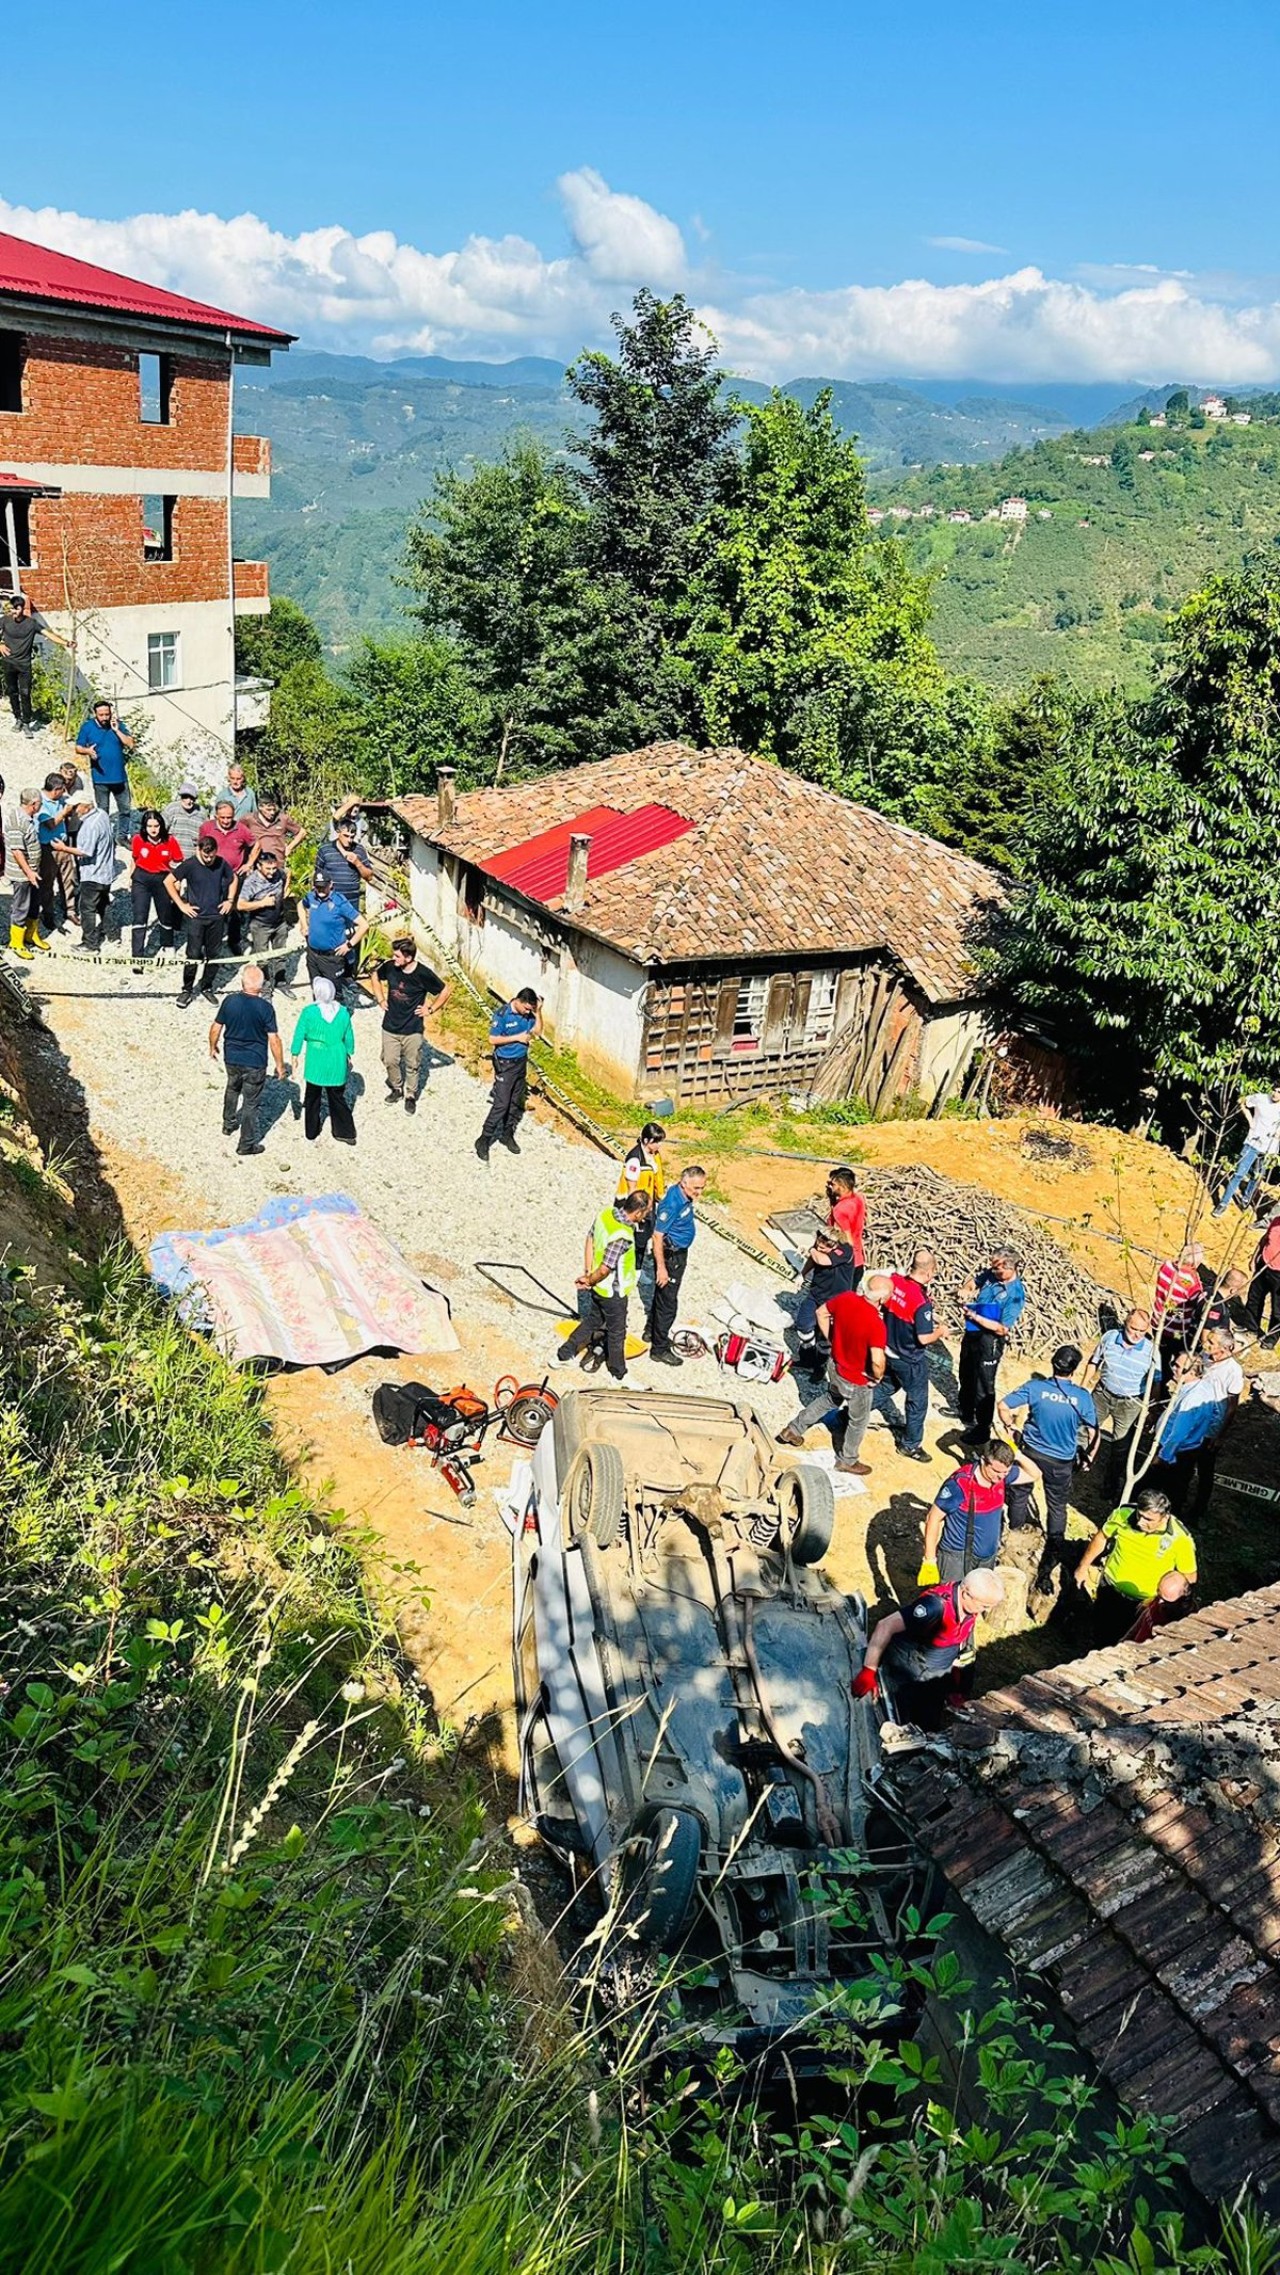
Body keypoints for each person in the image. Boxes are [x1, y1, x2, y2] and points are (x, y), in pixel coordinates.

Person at [998, 1344, 1099, 1592]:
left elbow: (1003, 1405)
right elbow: (1093, 1430)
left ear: (1053, 1364)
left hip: (1030, 1452)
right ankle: (1054, 1546)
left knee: (1020, 1493)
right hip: (1061, 1461)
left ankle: (1015, 1531)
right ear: (1074, 1370)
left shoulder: (1036, 1388)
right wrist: (1089, 1456)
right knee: (1057, 1504)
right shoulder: (1082, 1397)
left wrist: (1010, 1427)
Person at [851, 1568, 1006, 1727]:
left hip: (937, 1671)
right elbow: (885, 1625)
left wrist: (956, 1681)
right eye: (985, 1606)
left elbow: (957, 1637)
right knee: (904, 1719)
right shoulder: (932, 1607)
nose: (987, 1611)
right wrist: (868, 1670)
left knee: (930, 1718)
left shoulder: (969, 1605)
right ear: (966, 1594)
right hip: (912, 1668)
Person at [777, 1270, 891, 1476]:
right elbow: (877, 1360)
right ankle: (848, 1459)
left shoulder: (846, 1298)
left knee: (830, 1398)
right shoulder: (876, 1324)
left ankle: (793, 1429)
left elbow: (821, 1312)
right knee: (859, 1420)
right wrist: (877, 1376)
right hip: (857, 1378)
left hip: (835, 1365)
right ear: (882, 1298)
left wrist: (831, 1339)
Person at [1074, 1489, 1197, 1649]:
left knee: (1128, 1643)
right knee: (1101, 1631)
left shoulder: (1180, 1539)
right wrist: (1083, 1567)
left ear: (1164, 1517)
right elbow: (1102, 1537)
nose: (1140, 1522)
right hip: (1110, 1588)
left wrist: (1162, 1603)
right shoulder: (1123, 1514)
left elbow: (1189, 1578)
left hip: (1142, 1604)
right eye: (1140, 1515)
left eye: (1148, 1519)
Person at [1149, 1325, 1242, 1520]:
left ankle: (1198, 1509)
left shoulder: (1232, 1371)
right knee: (1183, 1464)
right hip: (1194, 1420)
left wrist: (1219, 1435)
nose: (1205, 1344)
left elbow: (1232, 1406)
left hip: (1211, 1428)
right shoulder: (1205, 1359)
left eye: (1211, 1342)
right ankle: (1171, 1501)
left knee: (1205, 1470)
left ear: (1224, 1348)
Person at [555, 1192, 649, 1382]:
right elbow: (606, 1268)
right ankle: (619, 1374)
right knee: (617, 1333)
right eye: (645, 1212)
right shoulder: (622, 1234)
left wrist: (588, 1272)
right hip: (612, 1292)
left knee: (592, 1321)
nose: (646, 1216)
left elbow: (590, 1238)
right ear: (638, 1212)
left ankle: (564, 1354)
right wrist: (590, 1280)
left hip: (599, 1288)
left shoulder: (606, 1214)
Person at [917, 1440, 1031, 1586]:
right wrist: (929, 1560)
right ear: (983, 1461)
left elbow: (1034, 1473)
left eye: (1006, 1472)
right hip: (957, 1557)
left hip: (987, 1557)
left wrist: (1019, 1455)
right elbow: (933, 1518)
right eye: (996, 1471)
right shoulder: (959, 1485)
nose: (1001, 1477)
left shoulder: (1001, 1477)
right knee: (952, 1599)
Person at [209, 965, 286, 1158]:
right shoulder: (266, 1008)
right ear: (260, 987)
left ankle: (228, 1124)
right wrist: (280, 1065)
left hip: (232, 1057)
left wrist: (212, 1046)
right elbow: (274, 1039)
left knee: (232, 1088)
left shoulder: (229, 1001)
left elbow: (216, 1027)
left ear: (242, 982)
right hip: (255, 1061)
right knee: (251, 1103)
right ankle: (246, 1144)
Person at [368, 935, 449, 1115]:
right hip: (390, 1026)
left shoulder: (423, 974)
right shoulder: (390, 967)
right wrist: (380, 998)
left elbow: (445, 990)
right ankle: (396, 1088)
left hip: (412, 1029)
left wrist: (431, 1009)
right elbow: (374, 975)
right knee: (389, 1060)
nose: (393, 958)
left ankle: (410, 1095)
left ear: (409, 958)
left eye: (397, 956)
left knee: (412, 1064)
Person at [1087, 1308, 1161, 1500]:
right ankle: (1076, 1466)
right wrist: (1083, 1386)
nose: (1136, 1334)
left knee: (1121, 1446)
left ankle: (1110, 1486)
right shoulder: (1110, 1338)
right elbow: (1094, 1361)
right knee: (1085, 1430)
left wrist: (1151, 1409)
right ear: (1124, 1324)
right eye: (1132, 1328)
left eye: (1142, 1331)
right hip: (1102, 1394)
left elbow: (1156, 1382)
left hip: (1130, 1403)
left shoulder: (1151, 1352)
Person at [881, 1248, 946, 1461]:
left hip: (889, 1347)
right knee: (917, 1401)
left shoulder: (895, 1281)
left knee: (887, 1386)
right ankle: (910, 1445)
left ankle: (853, 1413)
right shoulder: (921, 1303)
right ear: (929, 1274)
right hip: (909, 1358)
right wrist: (940, 1331)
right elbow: (924, 1338)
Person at [958, 1249, 1026, 1443]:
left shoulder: (1015, 1294)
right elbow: (974, 1282)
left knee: (984, 1385)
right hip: (973, 1332)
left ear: (1010, 1268)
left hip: (990, 1341)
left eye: (998, 1270)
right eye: (993, 1268)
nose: (993, 1272)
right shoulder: (991, 1274)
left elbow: (1002, 1329)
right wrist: (967, 1289)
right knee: (966, 1371)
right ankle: (966, 1411)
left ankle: (982, 1428)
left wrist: (975, 1317)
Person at [166, 831, 236, 1008]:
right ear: (199, 850)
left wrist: (229, 900)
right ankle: (187, 989)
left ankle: (207, 986)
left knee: (214, 955)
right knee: (193, 954)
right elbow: (168, 881)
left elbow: (233, 878)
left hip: (216, 917)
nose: (209, 858)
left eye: (212, 855)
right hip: (196, 917)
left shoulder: (221, 863)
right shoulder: (189, 865)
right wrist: (182, 905)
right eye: (206, 855)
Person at [647, 1165, 708, 1366]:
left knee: (661, 1295)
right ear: (684, 1183)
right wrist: (662, 1268)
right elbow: (657, 1236)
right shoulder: (672, 1204)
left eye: (701, 1188)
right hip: (671, 1257)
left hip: (678, 1253)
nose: (698, 1193)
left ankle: (652, 1330)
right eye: (696, 1188)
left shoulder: (683, 1197)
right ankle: (659, 1348)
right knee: (668, 1303)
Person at [476, 988, 541, 1162]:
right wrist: (517, 1037)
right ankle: (484, 1138)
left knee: (515, 1101)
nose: (529, 1012)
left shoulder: (529, 1015)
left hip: (520, 1062)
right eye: (527, 1008)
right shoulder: (503, 1015)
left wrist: (539, 1012)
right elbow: (493, 1039)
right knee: (501, 1103)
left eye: (531, 1009)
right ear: (519, 1001)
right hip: (505, 1063)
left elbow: (538, 1031)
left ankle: (507, 1133)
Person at [290, 977, 357, 1146]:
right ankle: (345, 1131)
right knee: (337, 1096)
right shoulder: (343, 1012)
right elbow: (348, 1036)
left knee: (312, 1097)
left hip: (316, 1058)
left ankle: (311, 1131)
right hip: (336, 1057)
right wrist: (349, 1052)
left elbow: (299, 1033)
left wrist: (295, 1053)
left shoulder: (309, 1012)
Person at [0, 592, 66, 732]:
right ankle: (17, 718)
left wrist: (66, 643)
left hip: (24, 665)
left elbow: (49, 634)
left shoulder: (31, 623)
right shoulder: (5, 620)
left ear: (22, 609)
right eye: (12, 608)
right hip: (9, 662)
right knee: (12, 692)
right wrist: (0, 644)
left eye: (17, 609)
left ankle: (26, 722)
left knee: (25, 693)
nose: (14, 612)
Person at [794, 1225, 857, 1368]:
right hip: (816, 1293)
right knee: (803, 1325)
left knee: (826, 1336)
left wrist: (810, 1250)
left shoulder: (845, 1250)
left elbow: (822, 1260)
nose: (820, 1247)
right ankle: (807, 1357)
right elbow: (814, 1259)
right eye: (819, 1243)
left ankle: (820, 1364)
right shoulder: (818, 1249)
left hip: (836, 1301)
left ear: (834, 1245)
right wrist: (802, 1274)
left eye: (825, 1247)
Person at [128, 807, 183, 970]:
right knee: (139, 916)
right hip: (141, 879)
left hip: (162, 879)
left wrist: (177, 880)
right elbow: (134, 858)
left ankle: (168, 944)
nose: (153, 830)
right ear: (145, 827)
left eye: (156, 826)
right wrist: (130, 877)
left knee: (165, 914)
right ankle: (138, 958)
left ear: (161, 826)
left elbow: (179, 862)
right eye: (150, 826)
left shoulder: (170, 841)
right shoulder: (138, 839)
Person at [1214, 1085, 1280, 1216]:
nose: (1276, 1094)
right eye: (1275, 1090)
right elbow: (1242, 1101)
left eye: (1279, 1092)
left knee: (1257, 1176)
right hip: (1252, 1142)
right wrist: (1250, 1121)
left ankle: (1246, 1198)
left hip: (1269, 1149)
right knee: (1239, 1173)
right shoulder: (1260, 1098)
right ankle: (1223, 1203)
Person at [234, 847, 292, 997]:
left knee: (281, 954)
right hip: (260, 925)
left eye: (274, 868)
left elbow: (288, 873)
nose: (272, 872)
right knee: (262, 958)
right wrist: (263, 903)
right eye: (268, 869)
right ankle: (265, 988)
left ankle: (281, 982)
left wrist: (285, 891)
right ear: (259, 866)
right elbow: (240, 905)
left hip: (280, 922)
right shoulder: (251, 881)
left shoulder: (279, 874)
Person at [75, 700, 134, 843]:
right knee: (102, 811)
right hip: (100, 778)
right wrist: (87, 751)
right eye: (101, 715)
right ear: (95, 714)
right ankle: (105, 838)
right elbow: (78, 747)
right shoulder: (87, 727)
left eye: (107, 714)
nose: (104, 718)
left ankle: (122, 836)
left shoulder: (118, 725)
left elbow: (131, 744)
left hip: (120, 777)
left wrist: (116, 730)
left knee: (125, 809)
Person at [300, 869, 366, 991]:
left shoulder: (340, 902)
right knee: (317, 991)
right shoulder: (311, 897)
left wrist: (349, 945)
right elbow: (301, 905)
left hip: (332, 958)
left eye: (323, 887)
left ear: (330, 885)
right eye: (317, 887)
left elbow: (364, 925)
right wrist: (304, 925)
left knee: (334, 993)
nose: (320, 890)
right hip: (313, 954)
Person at [1153, 1241, 1209, 1382]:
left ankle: (1160, 1378)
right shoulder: (1191, 1281)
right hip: (1176, 1329)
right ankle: (1171, 1380)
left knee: (1161, 1355)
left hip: (1157, 1320)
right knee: (1178, 1356)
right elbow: (1196, 1301)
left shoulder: (1166, 1266)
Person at [617, 1122, 667, 1271]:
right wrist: (640, 1211)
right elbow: (632, 1189)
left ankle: (637, 1267)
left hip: (648, 1203)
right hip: (635, 1206)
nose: (659, 1145)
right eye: (656, 1142)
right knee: (634, 1238)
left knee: (645, 1235)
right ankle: (629, 1267)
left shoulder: (654, 1156)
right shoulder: (635, 1159)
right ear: (646, 1141)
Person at [72, 797, 118, 954]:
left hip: (93, 874)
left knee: (87, 909)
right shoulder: (103, 814)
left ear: (86, 806)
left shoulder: (90, 825)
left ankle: (90, 944)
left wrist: (63, 848)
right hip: (106, 872)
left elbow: (86, 851)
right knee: (103, 903)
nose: (75, 810)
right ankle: (113, 934)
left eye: (77, 806)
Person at [6, 787, 48, 958]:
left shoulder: (29, 817)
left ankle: (31, 934)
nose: (41, 806)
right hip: (22, 874)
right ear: (33, 804)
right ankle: (16, 942)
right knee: (21, 905)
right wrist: (29, 872)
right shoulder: (17, 821)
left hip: (33, 871)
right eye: (40, 804)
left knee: (34, 903)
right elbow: (16, 851)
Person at [36, 771, 72, 930]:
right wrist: (64, 812)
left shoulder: (60, 800)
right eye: (62, 789)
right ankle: (48, 913)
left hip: (63, 845)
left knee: (69, 879)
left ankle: (70, 910)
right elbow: (50, 824)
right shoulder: (40, 803)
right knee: (47, 883)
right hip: (48, 849)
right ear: (56, 789)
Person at [315, 811, 374, 904]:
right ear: (338, 832)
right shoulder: (325, 850)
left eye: (352, 837)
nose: (349, 840)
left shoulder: (359, 849)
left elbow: (369, 877)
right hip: (330, 901)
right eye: (346, 836)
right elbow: (317, 875)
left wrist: (357, 863)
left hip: (351, 903)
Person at [244, 790, 304, 866]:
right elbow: (236, 831)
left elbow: (302, 832)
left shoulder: (282, 819)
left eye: (274, 809)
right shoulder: (249, 819)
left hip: (277, 863)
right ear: (260, 807)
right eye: (268, 810)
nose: (272, 813)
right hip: (257, 864)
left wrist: (289, 848)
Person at [824, 1166, 866, 1273]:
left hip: (847, 1265)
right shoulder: (858, 1198)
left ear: (842, 1186)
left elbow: (847, 1240)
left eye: (833, 1184)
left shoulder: (840, 1210)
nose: (830, 1187)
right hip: (859, 1260)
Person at [1253, 1212, 1280, 1350]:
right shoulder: (1276, 1221)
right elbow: (1264, 1239)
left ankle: (1271, 1338)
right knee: (1255, 1298)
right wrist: (1255, 1256)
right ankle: (1251, 1327)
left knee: (1278, 1311)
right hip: (1264, 1264)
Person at [162, 782, 207, 858]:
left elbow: (205, 837)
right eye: (185, 797)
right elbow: (160, 831)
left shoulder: (201, 813)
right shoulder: (171, 809)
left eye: (191, 798)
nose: (188, 801)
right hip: (171, 859)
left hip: (192, 859)